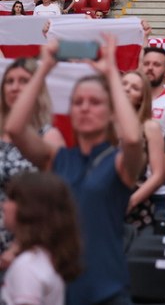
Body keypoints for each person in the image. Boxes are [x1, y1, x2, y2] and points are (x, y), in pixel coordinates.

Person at [7, 38, 144, 305]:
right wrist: (44, 67)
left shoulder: (118, 163)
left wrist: (110, 74)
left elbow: (132, 139)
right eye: (78, 102)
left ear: (110, 113)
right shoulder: (56, 158)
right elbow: (15, 129)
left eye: (95, 102)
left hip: (108, 289)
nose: (84, 107)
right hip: (61, 286)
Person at [0, 59, 67, 257]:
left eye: (23, 81)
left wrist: (18, 248)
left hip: (26, 249)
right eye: (9, 81)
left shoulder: (49, 137)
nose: (15, 87)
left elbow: (55, 202)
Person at [1, 172, 81, 305]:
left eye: (12, 199)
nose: (4, 205)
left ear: (30, 209)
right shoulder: (44, 258)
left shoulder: (27, 267)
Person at [122, 71, 165, 231]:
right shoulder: (103, 123)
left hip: (136, 207)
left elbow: (158, 175)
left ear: (142, 98)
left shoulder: (149, 127)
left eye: (134, 88)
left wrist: (131, 201)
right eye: (123, 84)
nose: (126, 89)